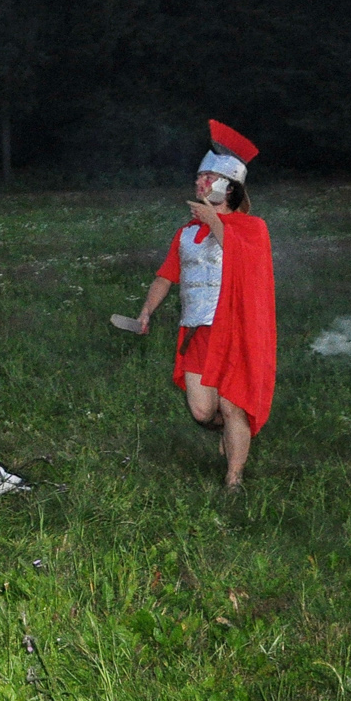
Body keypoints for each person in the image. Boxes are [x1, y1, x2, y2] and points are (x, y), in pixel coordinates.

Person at [125, 121, 276, 489]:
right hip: (198, 332)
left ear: (229, 187)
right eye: (199, 177)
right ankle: (231, 430)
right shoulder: (186, 233)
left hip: (236, 330)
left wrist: (215, 220)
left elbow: (245, 260)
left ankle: (234, 479)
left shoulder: (252, 228)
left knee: (232, 403)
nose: (200, 183)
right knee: (202, 410)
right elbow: (165, 277)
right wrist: (146, 311)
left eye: (208, 178)